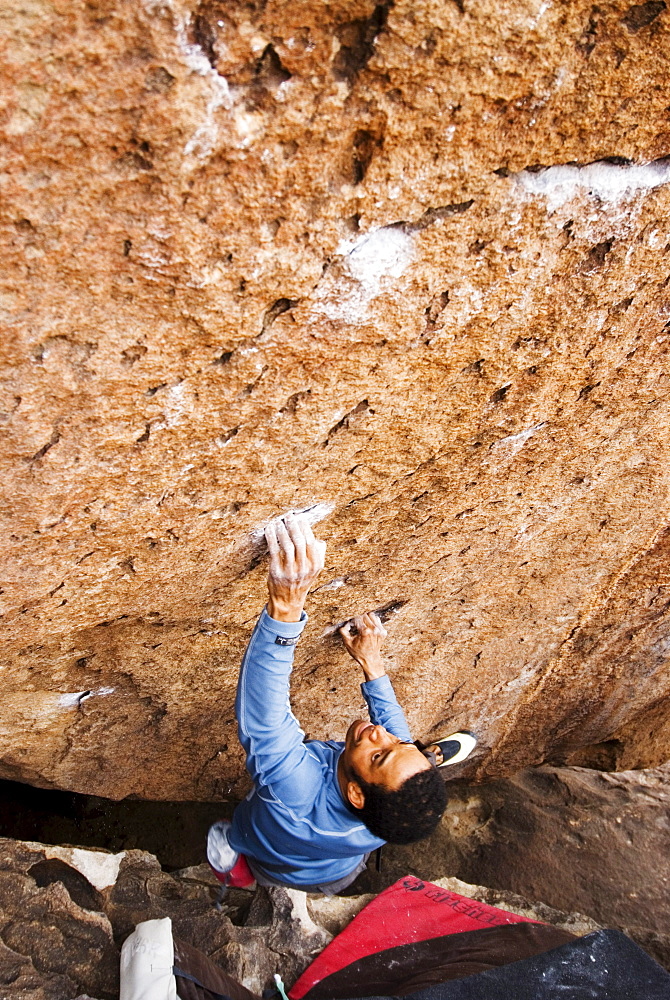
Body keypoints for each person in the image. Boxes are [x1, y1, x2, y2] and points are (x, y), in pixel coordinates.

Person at [207, 514, 455, 895]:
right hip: (338, 869)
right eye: (400, 744)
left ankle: (236, 871)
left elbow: (265, 721)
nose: (380, 734)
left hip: (271, 860)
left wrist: (286, 606)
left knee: (232, 835)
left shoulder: (296, 791)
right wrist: (372, 664)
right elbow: (396, 744)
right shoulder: (388, 814)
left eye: (379, 755)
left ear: (357, 793)